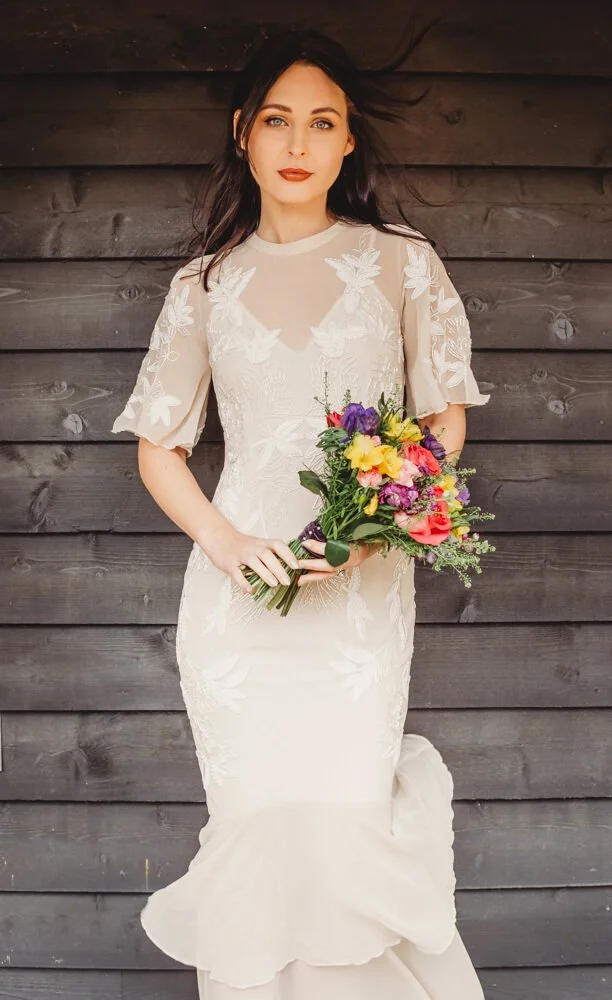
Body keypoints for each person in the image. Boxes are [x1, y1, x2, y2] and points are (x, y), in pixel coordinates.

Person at [111, 27, 490, 1000]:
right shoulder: (203, 284)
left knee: (341, 835)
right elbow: (160, 445)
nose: (298, 140)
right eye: (278, 118)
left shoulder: (403, 264)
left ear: (349, 140)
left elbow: (442, 420)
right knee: (256, 835)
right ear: (244, 132)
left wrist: (371, 529)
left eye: (322, 121)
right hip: (236, 610)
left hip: (357, 612)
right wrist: (228, 543)